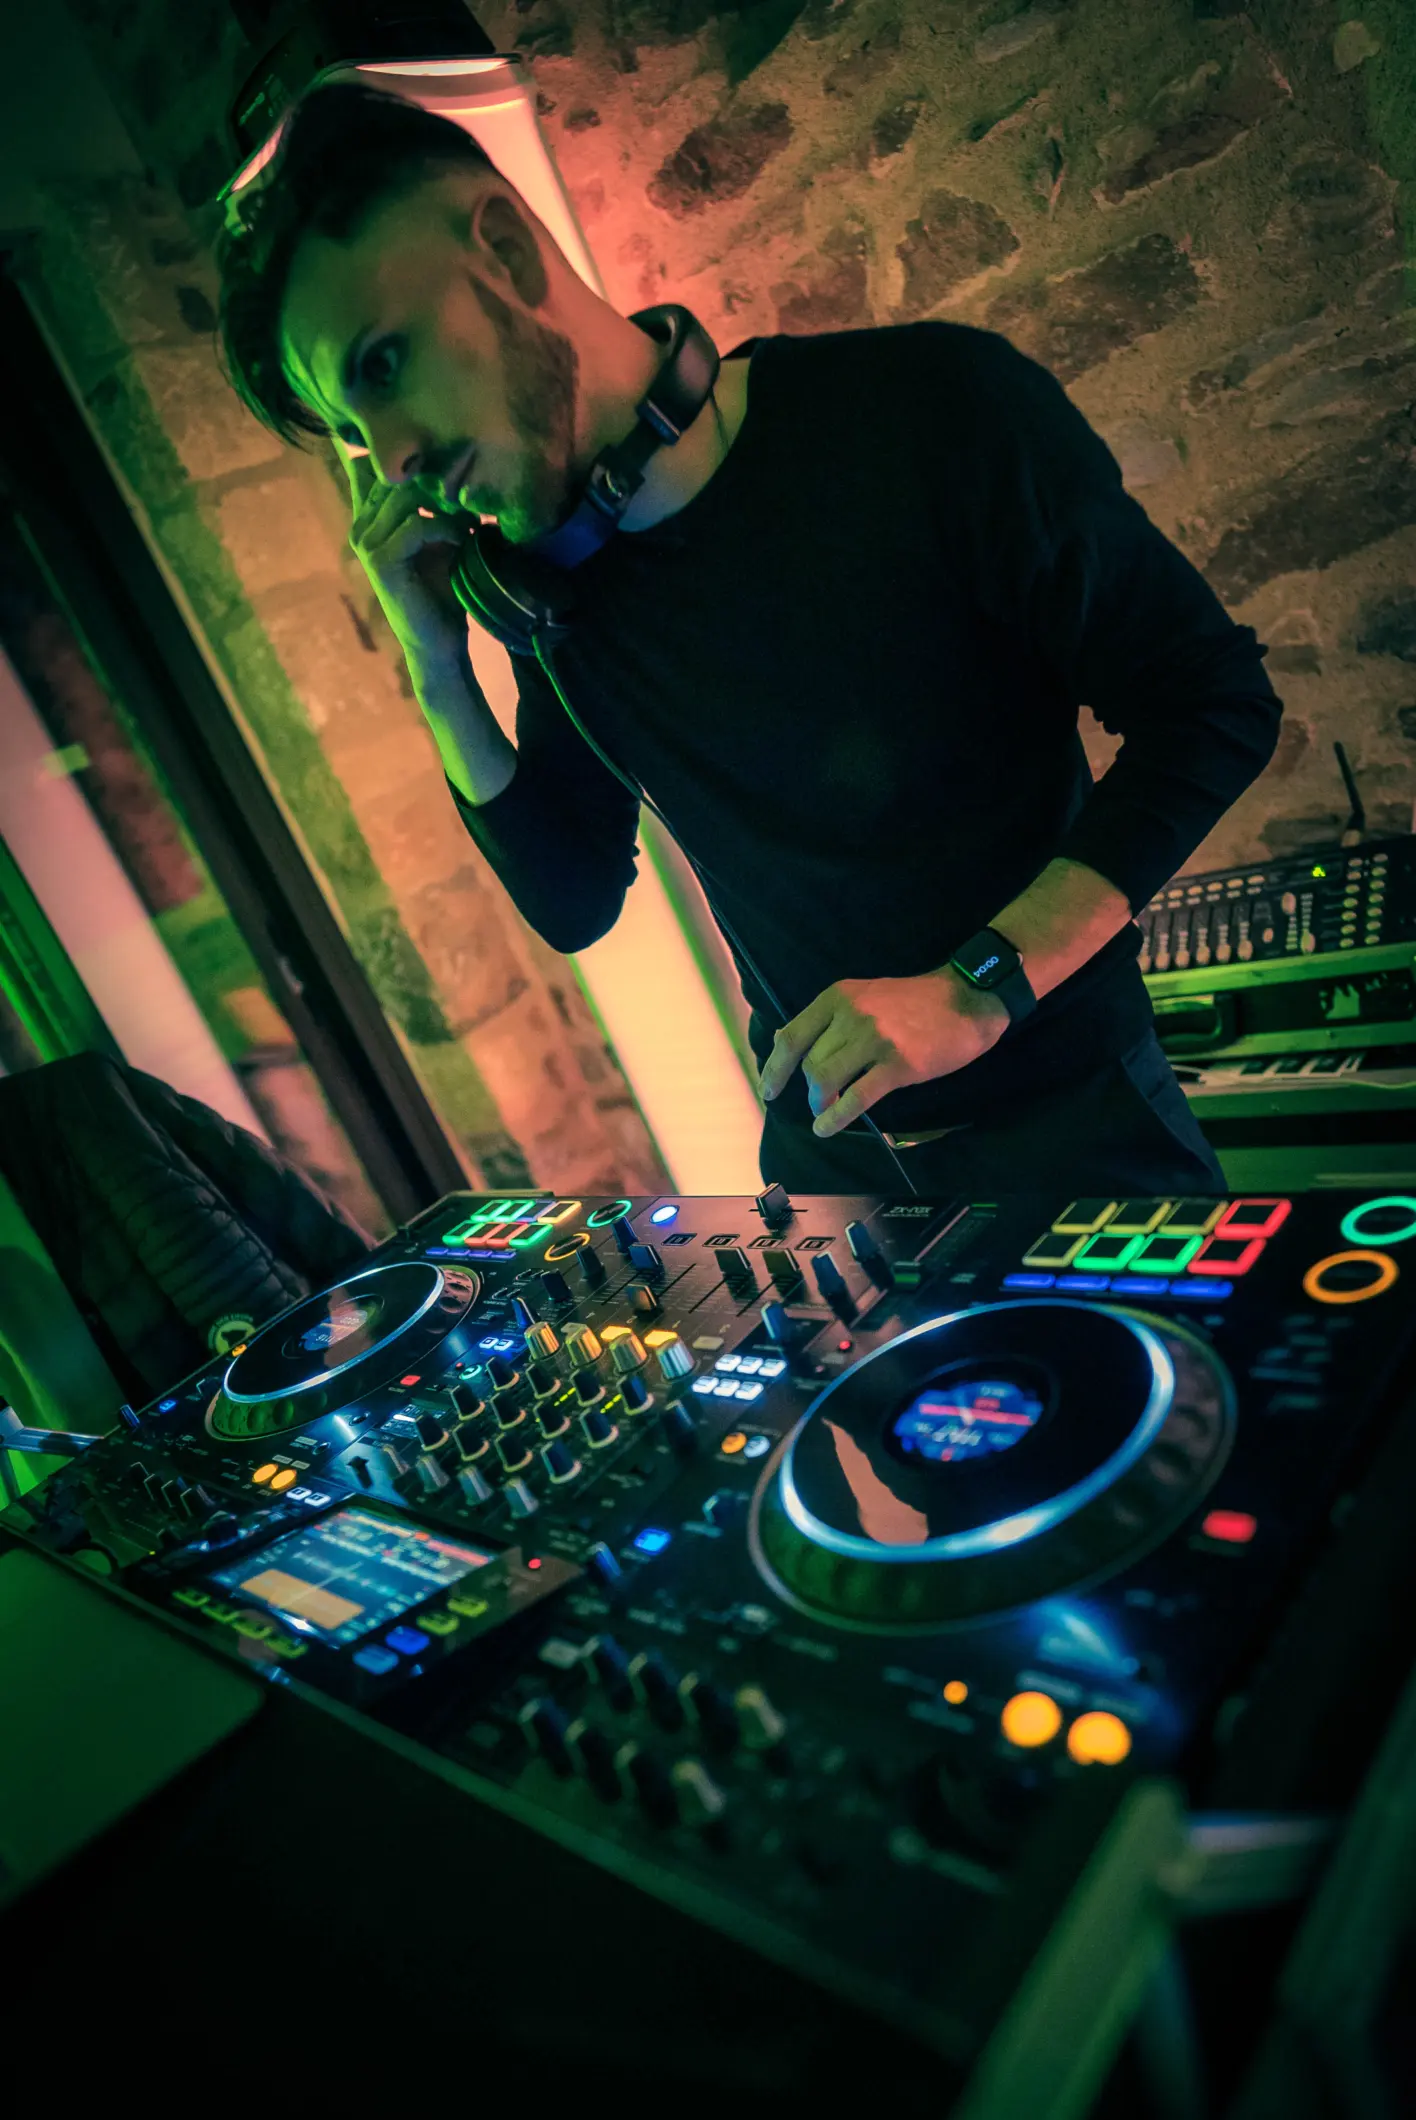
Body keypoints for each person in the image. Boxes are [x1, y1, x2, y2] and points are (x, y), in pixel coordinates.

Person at [216, 82, 1282, 1198]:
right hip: (826, 1177)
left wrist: (978, 987)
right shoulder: (559, 583)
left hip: (1083, 1132)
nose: (389, 457)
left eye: (382, 366)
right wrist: (438, 665)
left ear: (507, 251)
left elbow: (1209, 703)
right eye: (354, 432)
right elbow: (574, 897)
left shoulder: (929, 408)